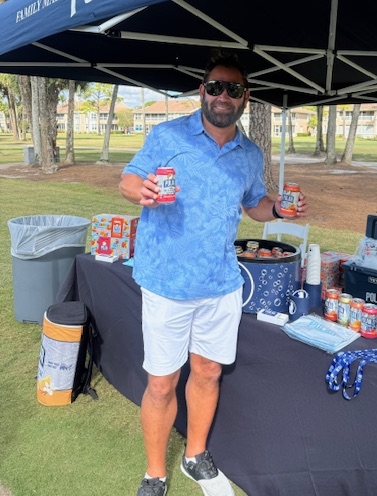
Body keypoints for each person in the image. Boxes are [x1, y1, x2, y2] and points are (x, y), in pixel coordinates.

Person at [119, 53, 307, 496]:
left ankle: (195, 456)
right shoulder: (166, 135)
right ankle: (154, 473)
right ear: (202, 91)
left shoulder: (250, 154)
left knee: (207, 373)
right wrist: (142, 190)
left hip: (221, 283)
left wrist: (278, 210)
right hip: (167, 281)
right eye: (216, 87)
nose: (224, 96)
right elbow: (128, 180)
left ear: (246, 98)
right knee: (162, 383)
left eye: (234, 89)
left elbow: (255, 204)